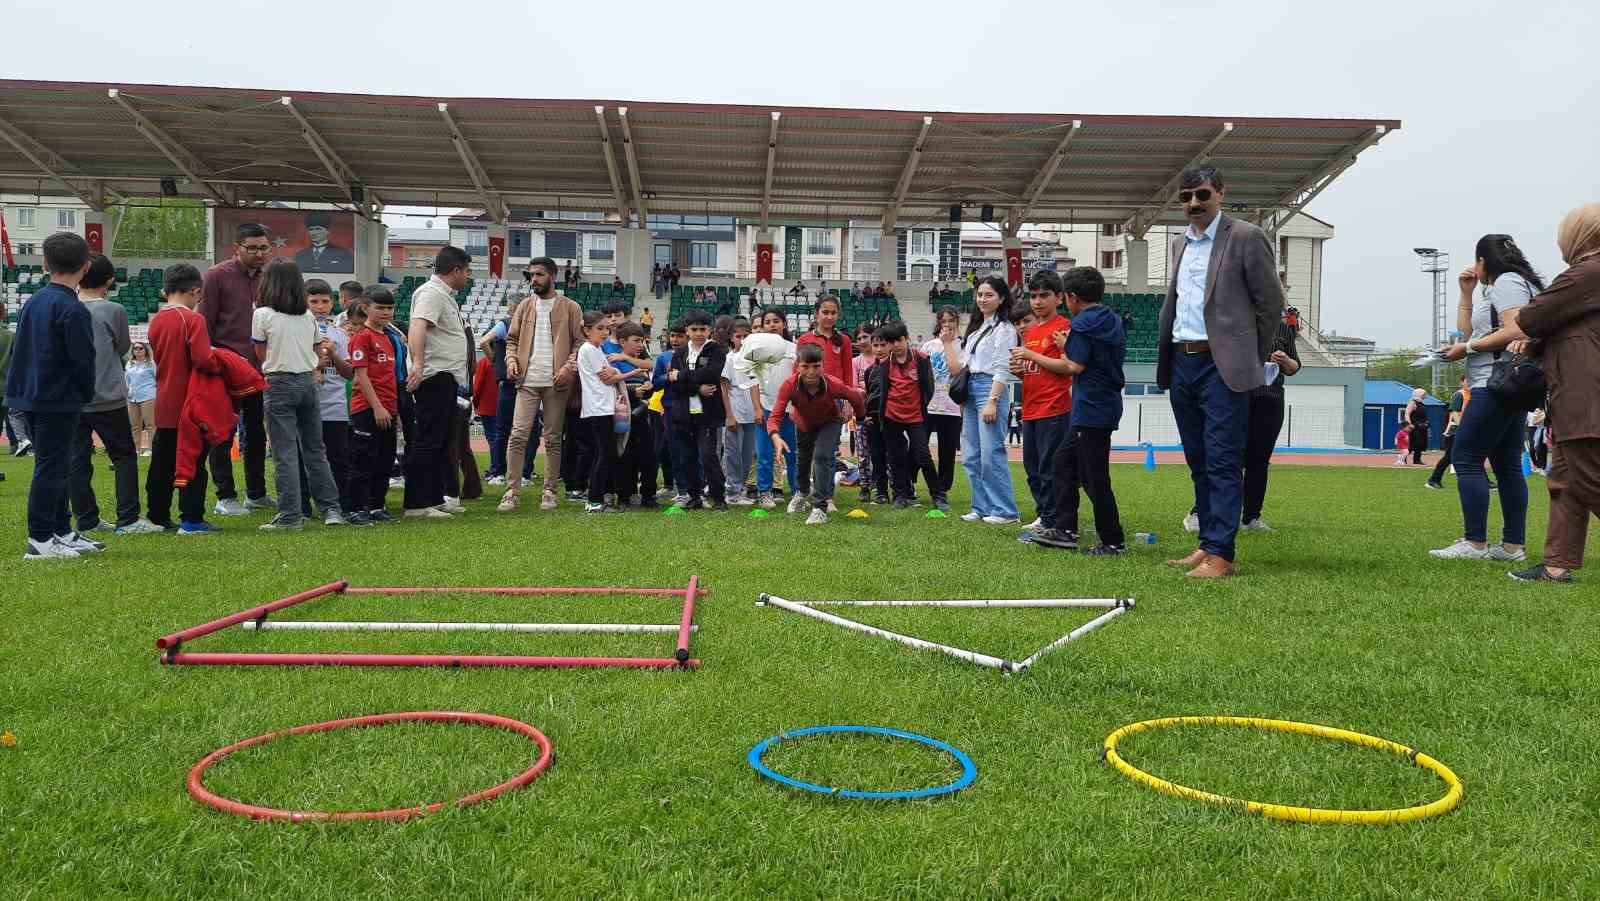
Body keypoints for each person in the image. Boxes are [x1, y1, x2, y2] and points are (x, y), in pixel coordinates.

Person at [1156, 166, 1285, 578]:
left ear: (1221, 194)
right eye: (1186, 197)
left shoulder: (1245, 237)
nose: (1194, 203)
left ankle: (1222, 555)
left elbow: (1270, 304)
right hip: (1182, 361)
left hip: (1222, 365)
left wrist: (1249, 354)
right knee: (1198, 458)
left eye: (1202, 194)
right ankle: (1207, 543)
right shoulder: (1180, 243)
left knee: (1224, 459)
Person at [1498, 203, 1600, 583]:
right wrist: (1540, 341)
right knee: (1565, 482)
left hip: (1586, 395)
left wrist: (1528, 331)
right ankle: (1557, 565)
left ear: (1578, 234)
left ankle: (1557, 564)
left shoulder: (1586, 273)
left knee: (1589, 480)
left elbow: (1529, 317)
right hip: (1577, 393)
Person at [1429, 234, 1541, 561]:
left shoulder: (1507, 283)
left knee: (1465, 457)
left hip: (1493, 383)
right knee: (1506, 465)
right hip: (1509, 384)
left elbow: (1514, 330)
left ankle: (1474, 542)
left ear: (1483, 262)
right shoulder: (1509, 284)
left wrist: (1467, 349)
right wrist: (1467, 294)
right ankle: (1511, 546)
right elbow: (1469, 330)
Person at [6, 233, 101, 559]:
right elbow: (83, 360)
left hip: (29, 396)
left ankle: (61, 531)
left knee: (56, 466)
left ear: (45, 264)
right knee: (51, 468)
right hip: (57, 400)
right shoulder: (72, 309)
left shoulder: (32, 302)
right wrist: (85, 394)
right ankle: (40, 538)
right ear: (86, 267)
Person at [1033, 266, 1127, 554]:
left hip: (1091, 408)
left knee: (1094, 476)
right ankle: (1065, 529)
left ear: (1071, 298)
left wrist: (1065, 345)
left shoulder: (1083, 324)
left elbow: (1075, 365)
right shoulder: (1109, 318)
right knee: (1064, 463)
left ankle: (1112, 541)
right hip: (1104, 405)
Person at [250, 260, 348, 530]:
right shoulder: (306, 316)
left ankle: (291, 515)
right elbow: (319, 352)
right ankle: (331, 510)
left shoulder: (263, 314)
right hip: (307, 383)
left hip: (279, 382)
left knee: (285, 453)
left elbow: (260, 352)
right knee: (316, 451)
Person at [69, 255, 155, 535]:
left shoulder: (67, 306)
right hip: (107, 395)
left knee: (78, 459)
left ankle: (87, 519)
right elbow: (122, 347)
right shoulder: (113, 310)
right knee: (123, 456)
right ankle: (127, 518)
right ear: (109, 281)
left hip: (72, 397)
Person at [199, 222, 274, 515]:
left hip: (259, 369)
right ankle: (225, 496)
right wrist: (216, 361)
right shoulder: (217, 276)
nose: (259, 254)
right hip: (226, 367)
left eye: (264, 248)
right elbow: (205, 322)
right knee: (222, 432)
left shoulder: (270, 276)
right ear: (237, 248)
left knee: (256, 432)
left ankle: (256, 493)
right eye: (252, 248)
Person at [499, 256, 583, 513]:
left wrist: (568, 368)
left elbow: (579, 343)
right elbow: (511, 341)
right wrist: (511, 359)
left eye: (539, 275)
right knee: (518, 435)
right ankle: (511, 491)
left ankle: (549, 491)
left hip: (556, 384)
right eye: (531, 275)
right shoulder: (524, 306)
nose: (533, 279)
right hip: (527, 382)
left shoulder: (570, 307)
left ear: (552, 276)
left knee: (553, 438)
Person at [146, 263, 221, 536]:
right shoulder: (193, 320)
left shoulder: (156, 320)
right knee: (193, 462)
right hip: (190, 402)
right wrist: (220, 361)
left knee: (162, 462)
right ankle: (191, 519)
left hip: (164, 401)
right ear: (196, 291)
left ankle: (158, 515)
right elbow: (202, 359)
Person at [403, 246, 473, 518]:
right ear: (455, 270)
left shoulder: (444, 295)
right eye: (466, 271)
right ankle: (417, 503)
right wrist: (419, 364)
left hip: (446, 376)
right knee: (429, 439)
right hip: (434, 375)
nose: (468, 276)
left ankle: (433, 497)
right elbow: (418, 326)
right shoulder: (431, 293)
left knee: (442, 440)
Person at [769, 343, 866, 525]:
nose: (811, 372)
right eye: (806, 366)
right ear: (797, 366)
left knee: (821, 457)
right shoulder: (789, 386)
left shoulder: (833, 384)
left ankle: (819, 507)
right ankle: (802, 492)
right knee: (803, 459)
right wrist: (776, 436)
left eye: (816, 366)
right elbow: (775, 416)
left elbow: (855, 397)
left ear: (823, 365)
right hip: (803, 424)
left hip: (829, 422)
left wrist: (860, 419)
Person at [1010, 270, 1074, 541]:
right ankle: (1045, 516)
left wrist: (1030, 355)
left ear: (1058, 297)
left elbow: (1068, 367)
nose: (1037, 301)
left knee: (1051, 468)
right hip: (1031, 407)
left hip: (1055, 407)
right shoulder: (1032, 329)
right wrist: (1020, 371)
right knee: (1032, 469)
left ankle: (1056, 521)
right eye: (1033, 296)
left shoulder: (1064, 327)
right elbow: (1036, 369)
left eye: (1044, 295)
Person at [298, 279, 363, 524]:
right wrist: (314, 364)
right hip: (306, 404)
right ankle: (302, 506)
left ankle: (341, 504)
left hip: (335, 405)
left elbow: (349, 373)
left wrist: (333, 354)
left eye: (325, 301)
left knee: (338, 458)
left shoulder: (339, 334)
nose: (320, 306)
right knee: (302, 457)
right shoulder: (299, 330)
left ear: (333, 302)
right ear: (304, 301)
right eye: (313, 301)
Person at [866, 320, 946, 511]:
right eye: (891, 342)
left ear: (907, 339)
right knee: (895, 457)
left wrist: (921, 406)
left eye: (899, 340)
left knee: (923, 456)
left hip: (916, 416)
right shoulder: (884, 365)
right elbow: (881, 391)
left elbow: (929, 388)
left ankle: (938, 495)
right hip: (892, 417)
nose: (896, 345)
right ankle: (900, 495)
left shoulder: (921, 359)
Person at [960, 276, 1020, 524]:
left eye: (989, 295)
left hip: (989, 387)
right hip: (972, 387)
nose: (983, 299)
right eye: (980, 294)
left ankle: (1005, 511)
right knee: (971, 453)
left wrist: (993, 400)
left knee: (991, 452)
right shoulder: (976, 328)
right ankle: (981, 506)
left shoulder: (1005, 329)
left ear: (1002, 298)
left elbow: (1001, 368)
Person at [1239, 307, 1302, 530]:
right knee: (1231, 457)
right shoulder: (1234, 322)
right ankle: (1217, 513)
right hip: (1238, 397)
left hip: (1270, 398)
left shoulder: (1283, 329)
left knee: (1259, 460)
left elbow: (1295, 367)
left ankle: (1252, 517)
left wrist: (1284, 359)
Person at [348, 288, 402, 522]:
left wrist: (392, 409)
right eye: (379, 307)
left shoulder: (388, 338)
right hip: (367, 408)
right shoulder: (362, 336)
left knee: (384, 459)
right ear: (365, 308)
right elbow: (361, 376)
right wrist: (377, 407)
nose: (385, 312)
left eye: (389, 308)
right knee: (363, 459)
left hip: (388, 408)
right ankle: (355, 509)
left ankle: (376, 505)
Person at [666, 308, 728, 510]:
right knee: (687, 457)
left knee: (708, 455)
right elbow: (673, 383)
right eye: (694, 329)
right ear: (687, 330)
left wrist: (682, 375)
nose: (699, 333)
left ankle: (719, 498)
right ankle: (695, 497)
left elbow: (711, 373)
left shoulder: (716, 350)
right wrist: (697, 387)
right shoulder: (681, 352)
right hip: (684, 413)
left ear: (709, 330)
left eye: (703, 328)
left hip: (708, 414)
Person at [573, 311, 625, 513]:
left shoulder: (596, 349)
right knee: (605, 453)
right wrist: (629, 373)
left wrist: (616, 372)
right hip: (598, 408)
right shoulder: (590, 350)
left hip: (601, 406)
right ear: (587, 330)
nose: (605, 332)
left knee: (603, 453)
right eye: (600, 328)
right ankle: (594, 501)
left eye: (607, 328)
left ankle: (595, 498)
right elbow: (607, 377)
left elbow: (611, 373)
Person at [745, 309, 797, 508]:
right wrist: (757, 408)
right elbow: (753, 382)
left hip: (790, 411)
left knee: (793, 455)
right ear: (763, 326)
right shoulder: (756, 351)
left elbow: (799, 380)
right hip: (766, 408)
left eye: (777, 321)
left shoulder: (794, 349)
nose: (772, 325)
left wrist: (796, 408)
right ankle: (764, 492)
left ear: (784, 324)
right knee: (765, 455)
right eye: (768, 322)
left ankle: (797, 492)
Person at [922, 309, 966, 493]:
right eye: (944, 320)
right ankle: (910, 482)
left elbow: (956, 371)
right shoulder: (928, 346)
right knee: (919, 446)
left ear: (957, 322)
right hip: (928, 404)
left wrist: (948, 343)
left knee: (947, 451)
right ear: (939, 323)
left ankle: (942, 489)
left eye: (951, 320)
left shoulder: (964, 345)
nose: (947, 324)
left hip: (951, 406)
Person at [720, 317, 758, 505]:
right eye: (738, 336)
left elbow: (755, 385)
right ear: (731, 338)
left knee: (747, 454)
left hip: (751, 414)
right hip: (735, 411)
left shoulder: (753, 359)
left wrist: (758, 410)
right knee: (732, 454)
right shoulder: (729, 358)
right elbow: (724, 388)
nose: (742, 340)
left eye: (746, 336)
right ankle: (731, 491)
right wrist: (729, 415)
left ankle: (740, 488)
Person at [795, 295, 854, 387]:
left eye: (833, 313)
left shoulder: (845, 340)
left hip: (837, 393)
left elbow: (848, 371)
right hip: (810, 391)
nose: (829, 317)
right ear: (816, 314)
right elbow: (797, 369)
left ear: (838, 315)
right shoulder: (804, 339)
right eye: (825, 312)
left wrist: (848, 394)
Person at [1427, 376, 1470, 489]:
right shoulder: (1459, 394)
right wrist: (1463, 427)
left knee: (1473, 456)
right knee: (1449, 457)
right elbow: (1455, 413)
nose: (1470, 382)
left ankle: (1485, 482)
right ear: (1461, 382)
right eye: (1467, 379)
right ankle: (1433, 480)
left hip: (1468, 431)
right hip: (1455, 431)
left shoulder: (1474, 395)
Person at [126, 342, 158, 457]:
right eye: (135, 348)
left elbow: (157, 379)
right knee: (134, 425)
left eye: (140, 348)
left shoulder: (151, 364)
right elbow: (127, 379)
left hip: (148, 397)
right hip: (132, 398)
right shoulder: (130, 364)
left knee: (150, 425)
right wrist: (128, 391)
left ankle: (151, 449)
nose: (138, 350)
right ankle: (136, 449)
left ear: (145, 350)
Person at [1403, 388, 1430, 465]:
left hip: (1422, 427)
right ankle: (1403, 458)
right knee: (1413, 444)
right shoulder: (1412, 402)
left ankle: (1417, 460)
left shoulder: (1422, 403)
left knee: (1420, 444)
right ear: (1419, 394)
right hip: (1415, 427)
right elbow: (1407, 413)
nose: (1425, 395)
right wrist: (1409, 424)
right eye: (1423, 394)